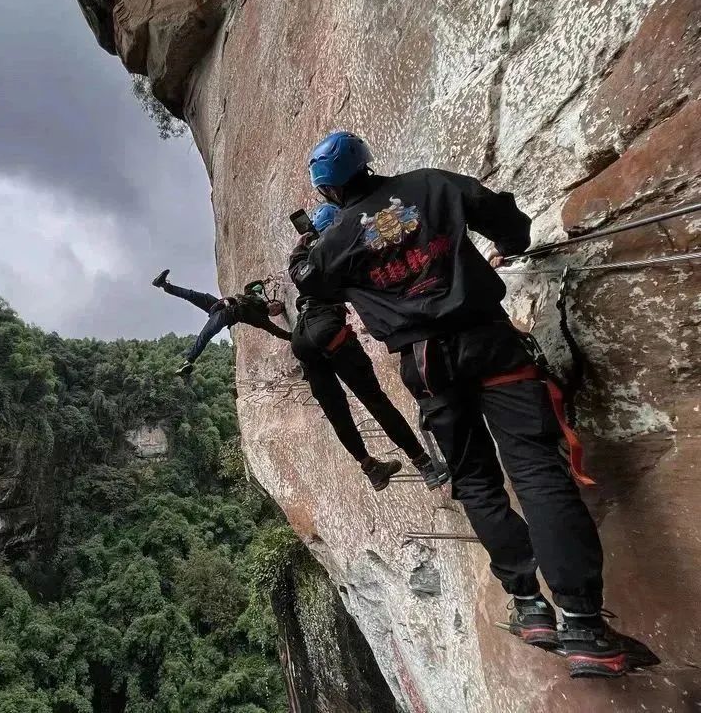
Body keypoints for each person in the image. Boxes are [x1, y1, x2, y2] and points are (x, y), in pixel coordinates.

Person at [289, 131, 655, 678]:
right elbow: (510, 223)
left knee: (475, 480)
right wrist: (506, 242)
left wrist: (310, 241)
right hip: (488, 341)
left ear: (328, 190)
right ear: (367, 161)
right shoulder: (431, 185)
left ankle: (529, 606)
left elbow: (308, 279)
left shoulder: (336, 240)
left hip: (426, 365)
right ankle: (583, 625)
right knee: (536, 470)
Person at [291, 203, 444, 492]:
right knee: (375, 401)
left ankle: (371, 468)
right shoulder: (344, 248)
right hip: (331, 331)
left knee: (337, 413)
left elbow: (297, 271)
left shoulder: (309, 258)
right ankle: (425, 465)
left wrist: (299, 248)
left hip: (302, 339)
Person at [153, 271, 289, 375]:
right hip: (219, 304)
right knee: (191, 295)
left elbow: (277, 331)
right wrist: (263, 282)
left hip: (225, 316)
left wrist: (291, 336)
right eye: (277, 305)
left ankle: (188, 362)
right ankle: (164, 285)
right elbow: (248, 287)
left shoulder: (262, 319)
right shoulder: (255, 298)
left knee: (204, 335)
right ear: (273, 301)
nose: (276, 309)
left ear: (273, 315)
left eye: (278, 311)